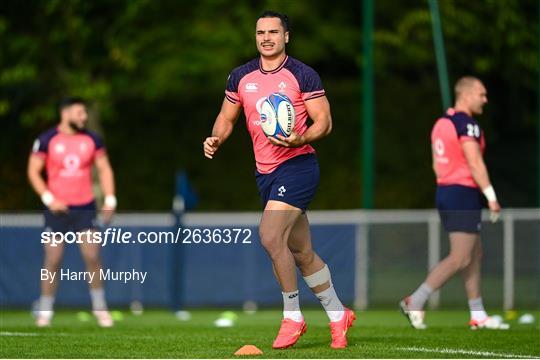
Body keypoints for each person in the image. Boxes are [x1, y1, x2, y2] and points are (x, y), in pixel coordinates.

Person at [203, 11, 355, 349]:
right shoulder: (240, 76)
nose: (266, 37)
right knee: (301, 251)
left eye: (274, 31)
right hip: (266, 173)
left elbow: (324, 122)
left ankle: (292, 317)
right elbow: (226, 117)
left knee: (270, 235)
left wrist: (302, 138)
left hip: (298, 165)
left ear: (287, 36)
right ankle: (337, 314)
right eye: (261, 32)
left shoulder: (303, 74)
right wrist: (216, 138)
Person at [400, 76, 508, 330]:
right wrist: (491, 196)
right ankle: (415, 300)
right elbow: (475, 162)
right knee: (460, 256)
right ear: (466, 95)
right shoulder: (466, 124)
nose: (485, 99)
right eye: (481, 94)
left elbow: (437, 165)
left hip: (447, 191)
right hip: (462, 192)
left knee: (474, 254)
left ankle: (478, 314)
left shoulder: (441, 123)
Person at [27, 97, 117, 327]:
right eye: (80, 113)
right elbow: (33, 171)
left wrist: (109, 199)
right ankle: (45, 310)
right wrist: (49, 199)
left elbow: (104, 169)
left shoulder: (92, 140)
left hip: (85, 206)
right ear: (65, 113)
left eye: (85, 113)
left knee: (92, 257)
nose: (84, 117)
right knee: (53, 259)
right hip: (56, 209)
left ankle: (100, 308)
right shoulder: (47, 140)